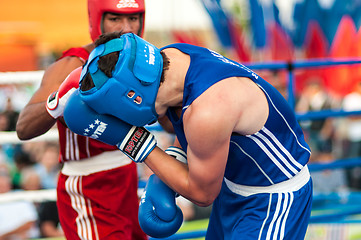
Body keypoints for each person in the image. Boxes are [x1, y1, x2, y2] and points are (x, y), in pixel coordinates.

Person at [64, 32, 313, 239]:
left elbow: (202, 195)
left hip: (273, 200)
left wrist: (130, 140)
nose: (119, 119)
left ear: (133, 98)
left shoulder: (208, 111)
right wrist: (173, 158)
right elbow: (183, 128)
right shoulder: (173, 59)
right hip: (233, 187)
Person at [16, 1, 147, 239]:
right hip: (89, 186)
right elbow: (23, 128)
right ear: (96, 20)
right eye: (115, 19)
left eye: (133, 19)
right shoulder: (73, 64)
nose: (127, 29)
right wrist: (61, 99)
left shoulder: (144, 61)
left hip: (128, 176)